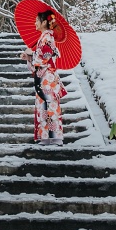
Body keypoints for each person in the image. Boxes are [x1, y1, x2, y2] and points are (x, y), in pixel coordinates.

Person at [20, 9, 67, 146]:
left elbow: (45, 57)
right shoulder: (44, 37)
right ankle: (47, 137)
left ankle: (54, 137)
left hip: (47, 78)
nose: (35, 23)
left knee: (50, 107)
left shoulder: (47, 37)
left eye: (37, 20)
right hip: (44, 77)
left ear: (44, 22)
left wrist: (31, 56)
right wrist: (29, 57)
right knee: (45, 107)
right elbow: (41, 57)